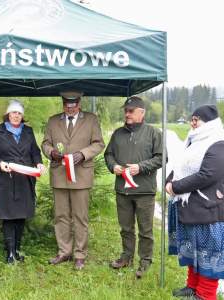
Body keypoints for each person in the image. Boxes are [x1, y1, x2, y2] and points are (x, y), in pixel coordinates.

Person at [41, 90, 104, 270]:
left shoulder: (91, 120)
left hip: (81, 176)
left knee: (80, 216)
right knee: (61, 215)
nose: (70, 109)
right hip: (59, 174)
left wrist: (82, 154)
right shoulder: (53, 121)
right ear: (63, 104)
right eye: (67, 106)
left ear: (79, 104)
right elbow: (45, 143)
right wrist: (51, 152)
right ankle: (64, 251)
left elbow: (99, 143)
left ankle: (79, 254)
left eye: (73, 106)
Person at [166, 105, 224, 300]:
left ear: (208, 123)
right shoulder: (193, 141)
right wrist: (169, 180)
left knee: (208, 255)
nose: (192, 123)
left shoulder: (218, 142)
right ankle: (192, 287)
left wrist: (176, 187)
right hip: (191, 207)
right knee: (194, 251)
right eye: (191, 119)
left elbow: (207, 175)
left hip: (208, 210)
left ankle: (206, 295)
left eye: (196, 119)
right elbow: (181, 165)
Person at [104, 96, 162, 278]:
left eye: (131, 111)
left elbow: (161, 158)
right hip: (123, 190)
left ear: (141, 112)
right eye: (125, 111)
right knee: (126, 228)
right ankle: (126, 257)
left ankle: (145, 261)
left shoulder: (153, 133)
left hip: (144, 191)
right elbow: (108, 155)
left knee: (145, 230)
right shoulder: (117, 133)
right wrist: (113, 166)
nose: (127, 114)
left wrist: (141, 167)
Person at [0, 100, 45, 264]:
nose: (16, 116)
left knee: (21, 215)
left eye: (19, 113)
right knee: (8, 216)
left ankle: (17, 250)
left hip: (25, 179)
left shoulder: (29, 131)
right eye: (13, 112)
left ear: (22, 115)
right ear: (8, 114)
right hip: (6, 179)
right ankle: (10, 253)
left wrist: (38, 163)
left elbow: (35, 152)